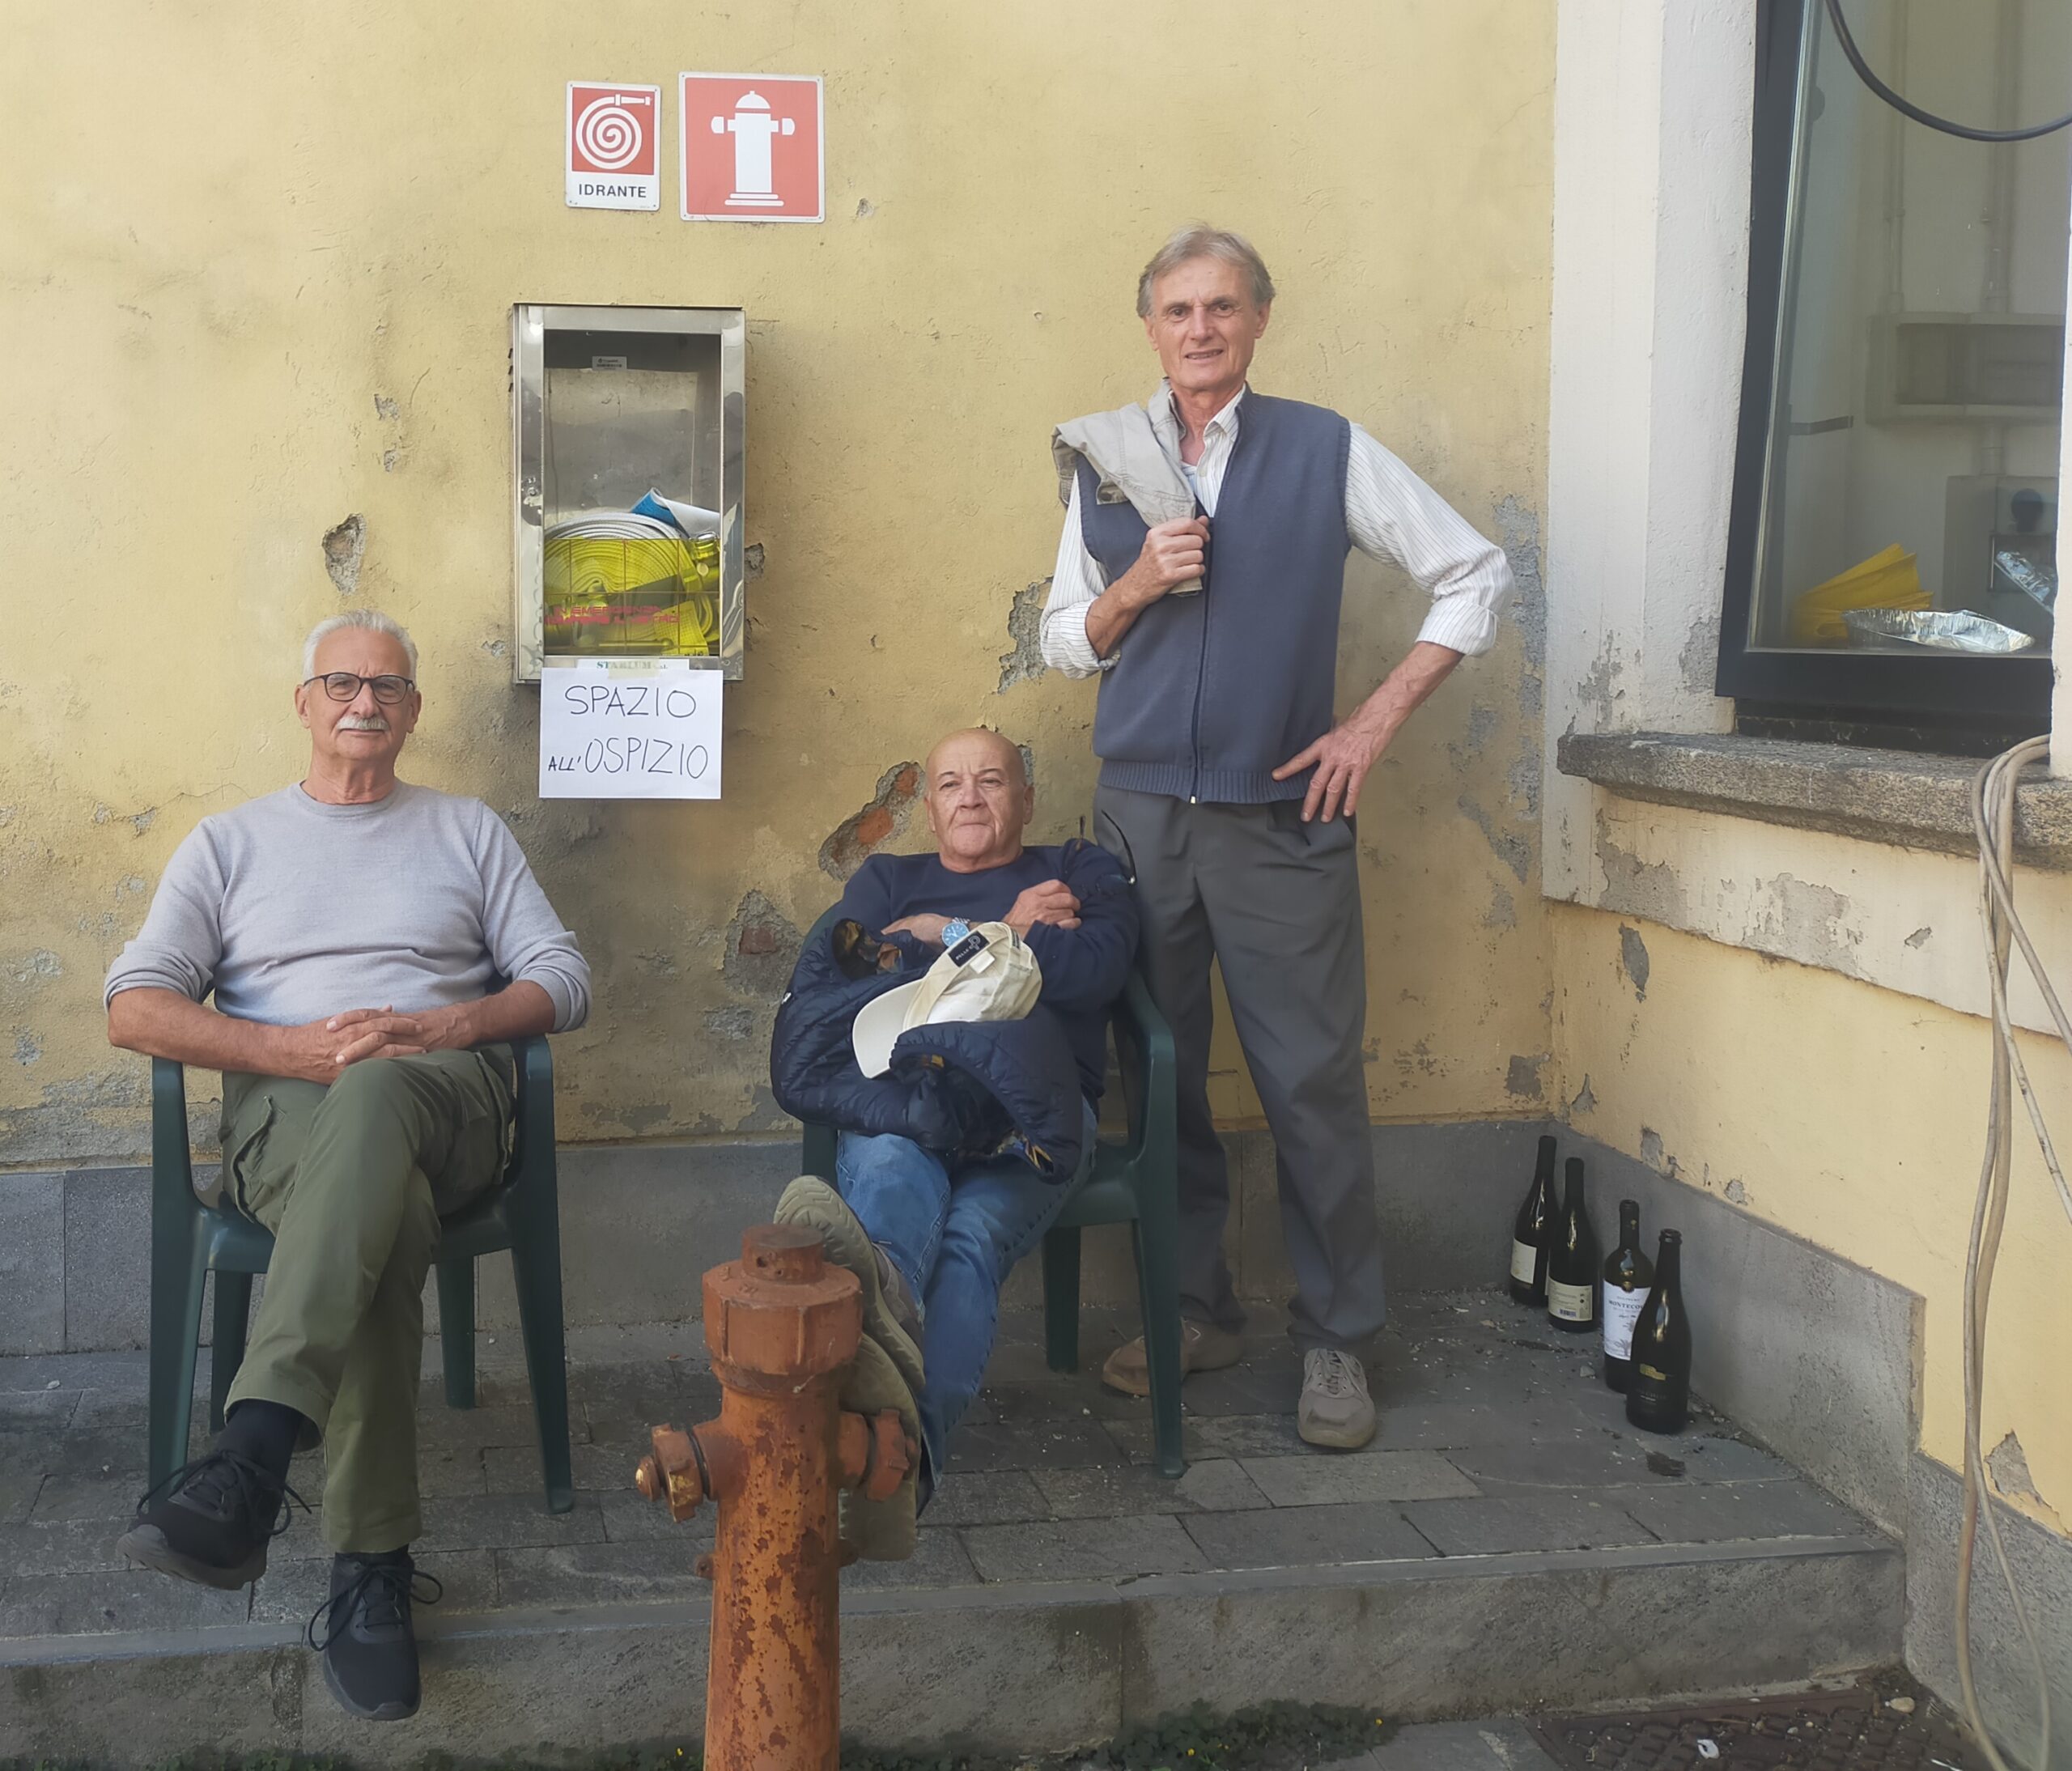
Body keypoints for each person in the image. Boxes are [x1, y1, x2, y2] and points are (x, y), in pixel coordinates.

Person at [1040, 226, 1513, 1449]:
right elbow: (1062, 639)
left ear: (1258, 320)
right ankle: (1195, 1309)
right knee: (1159, 1073)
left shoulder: (1323, 449)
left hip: (1281, 818)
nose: (1200, 329)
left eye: (1223, 307)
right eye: (1178, 310)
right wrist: (1136, 584)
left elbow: (1474, 573)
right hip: (1142, 816)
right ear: (1150, 326)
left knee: (1310, 1081)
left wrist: (1370, 724)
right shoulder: (1106, 460)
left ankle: (1339, 1338)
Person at [104, 609, 590, 1722]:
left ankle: (255, 1447)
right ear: (304, 703)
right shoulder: (229, 843)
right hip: (286, 1109)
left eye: (387, 687)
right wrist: (287, 1051)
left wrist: (446, 1026)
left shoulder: (466, 830)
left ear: (413, 711)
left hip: (447, 1095)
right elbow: (134, 1007)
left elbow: (563, 977)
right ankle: (369, 1564)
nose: (364, 702)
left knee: (376, 1091)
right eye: (341, 683)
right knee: (387, 1215)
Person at [773, 728, 1137, 1518]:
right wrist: (1010, 933)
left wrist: (939, 933)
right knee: (891, 1187)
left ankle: (887, 1464)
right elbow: (849, 986)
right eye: (950, 785)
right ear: (932, 811)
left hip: (1033, 1116)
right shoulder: (886, 879)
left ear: (1026, 800)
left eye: (991, 781)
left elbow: (1094, 972)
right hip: (907, 1103)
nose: (970, 797)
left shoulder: (1076, 868)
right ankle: (891, 1464)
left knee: (968, 1239)